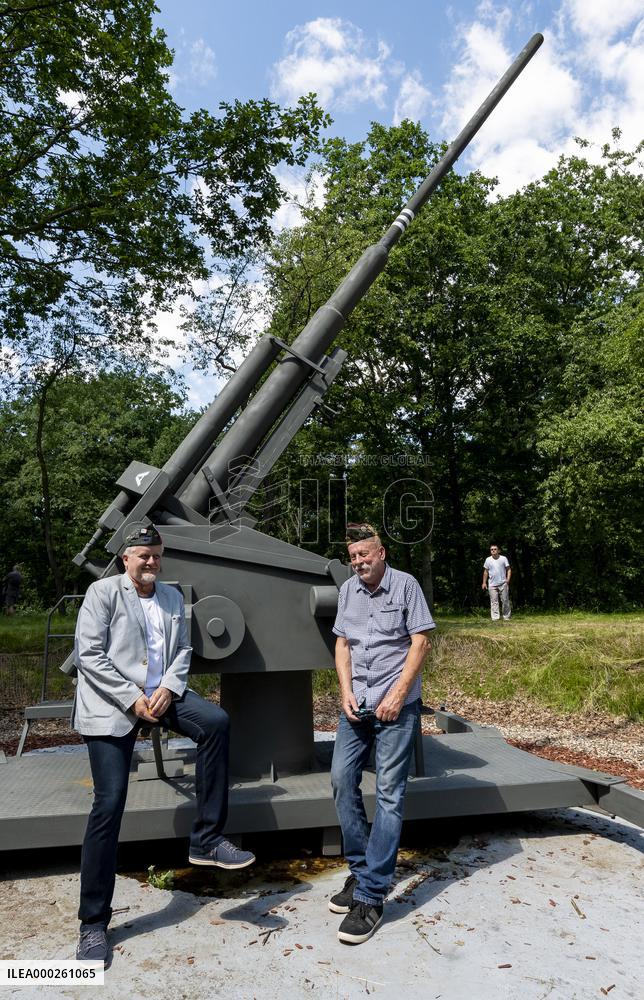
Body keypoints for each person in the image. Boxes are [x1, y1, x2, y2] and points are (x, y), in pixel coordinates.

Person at [73, 525, 254, 963]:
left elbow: (184, 651)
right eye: (143, 556)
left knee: (215, 721)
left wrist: (170, 689)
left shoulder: (172, 597)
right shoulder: (103, 594)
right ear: (125, 559)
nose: (151, 563)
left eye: (156, 555)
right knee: (109, 804)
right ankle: (93, 924)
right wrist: (133, 698)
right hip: (114, 702)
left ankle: (207, 839)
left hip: (161, 695)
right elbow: (89, 654)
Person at [329, 522, 435, 944]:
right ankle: (360, 872)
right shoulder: (347, 591)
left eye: (364, 555)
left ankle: (372, 897)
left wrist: (399, 693)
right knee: (341, 781)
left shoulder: (406, 586)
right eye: (353, 557)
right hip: (358, 704)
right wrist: (344, 691)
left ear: (382, 552)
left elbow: (421, 641)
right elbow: (343, 645)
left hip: (396, 705)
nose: (358, 563)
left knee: (389, 794)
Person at [481, 543, 512, 621]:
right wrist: (484, 583)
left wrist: (508, 580)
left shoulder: (503, 558)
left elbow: (509, 569)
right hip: (492, 584)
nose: (493, 550)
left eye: (495, 549)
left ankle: (506, 617)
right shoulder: (488, 559)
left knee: (505, 600)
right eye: (491, 549)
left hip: (503, 583)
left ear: (498, 550)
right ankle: (495, 618)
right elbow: (486, 572)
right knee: (494, 602)